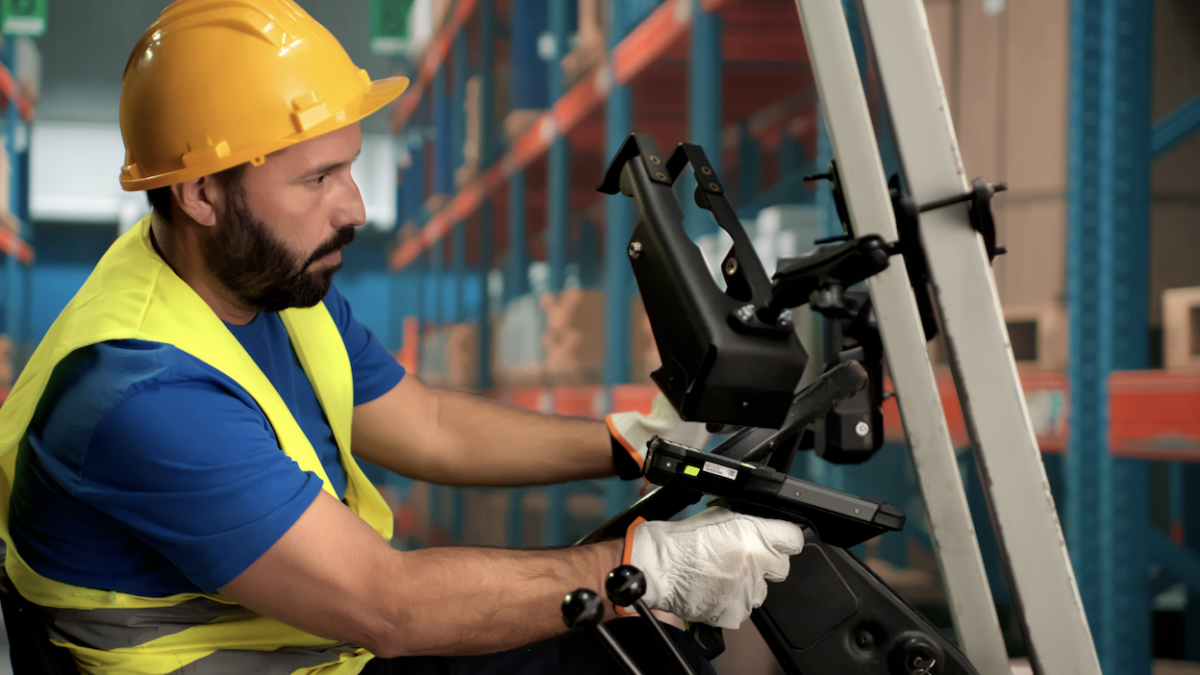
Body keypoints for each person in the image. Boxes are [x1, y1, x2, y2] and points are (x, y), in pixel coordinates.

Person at [0, 1, 805, 673]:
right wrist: (648, 567)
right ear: (203, 193)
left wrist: (634, 443)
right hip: (323, 650)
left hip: (325, 651)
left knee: (640, 649)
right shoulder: (144, 392)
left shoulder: (265, 283)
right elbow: (390, 605)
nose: (354, 208)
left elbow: (426, 423)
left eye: (348, 167)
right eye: (316, 179)